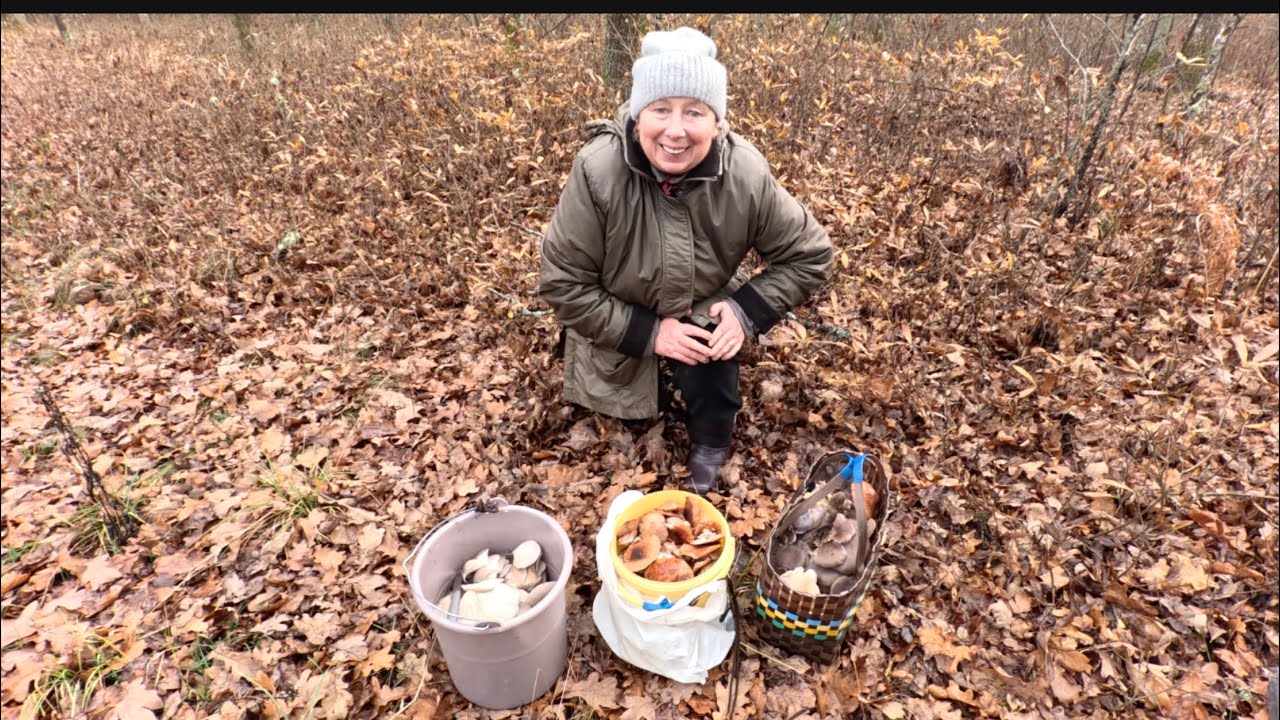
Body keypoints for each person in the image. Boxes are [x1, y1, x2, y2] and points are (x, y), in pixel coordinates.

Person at [539, 26, 833, 495]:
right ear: (638, 117)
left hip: (700, 297)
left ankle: (712, 441)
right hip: (619, 302)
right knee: (618, 395)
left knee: (714, 345)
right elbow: (562, 283)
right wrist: (653, 333)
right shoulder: (598, 171)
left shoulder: (744, 172)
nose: (675, 131)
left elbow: (811, 254)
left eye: (694, 112)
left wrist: (745, 311)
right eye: (660, 109)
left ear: (716, 122)